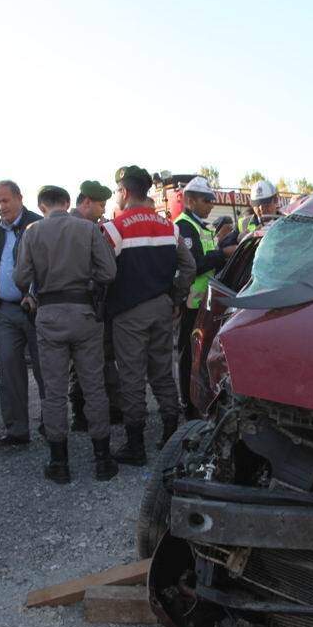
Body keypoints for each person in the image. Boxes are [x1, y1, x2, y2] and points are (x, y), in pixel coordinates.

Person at [15, 186, 118, 482]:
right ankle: (102, 460)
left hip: (49, 315)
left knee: (55, 390)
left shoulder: (32, 232)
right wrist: (87, 281)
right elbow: (108, 272)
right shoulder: (87, 229)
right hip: (84, 313)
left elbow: (21, 277)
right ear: (66, 202)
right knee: (94, 387)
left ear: (42, 205)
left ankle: (59, 463)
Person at [101, 166, 196, 465]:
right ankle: (171, 435)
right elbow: (190, 267)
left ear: (125, 192)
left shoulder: (115, 228)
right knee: (162, 372)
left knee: (131, 376)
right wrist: (176, 298)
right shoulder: (170, 227)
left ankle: (135, 445)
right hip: (162, 308)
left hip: (128, 313)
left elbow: (102, 273)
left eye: (118, 191)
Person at [0, 180, 45, 446]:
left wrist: (36, 296)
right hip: (6, 311)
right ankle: (17, 430)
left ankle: (50, 424)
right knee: (9, 369)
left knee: (44, 369)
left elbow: (46, 267)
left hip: (35, 309)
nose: (1, 206)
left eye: (5, 200)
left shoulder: (38, 225)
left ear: (20, 197)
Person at [174, 176, 230, 417]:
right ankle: (188, 406)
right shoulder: (185, 226)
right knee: (189, 357)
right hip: (190, 304)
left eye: (212, 200)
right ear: (191, 200)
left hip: (203, 303)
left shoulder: (201, 226)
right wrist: (222, 254)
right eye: (207, 200)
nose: (211, 205)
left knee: (203, 356)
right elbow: (193, 266)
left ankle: (200, 399)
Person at [69, 180, 121, 430]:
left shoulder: (65, 226)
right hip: (88, 306)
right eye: (100, 205)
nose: (103, 211)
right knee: (86, 363)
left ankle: (81, 415)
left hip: (74, 306)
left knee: (81, 364)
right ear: (86, 202)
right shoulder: (86, 229)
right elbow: (107, 270)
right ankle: (87, 415)